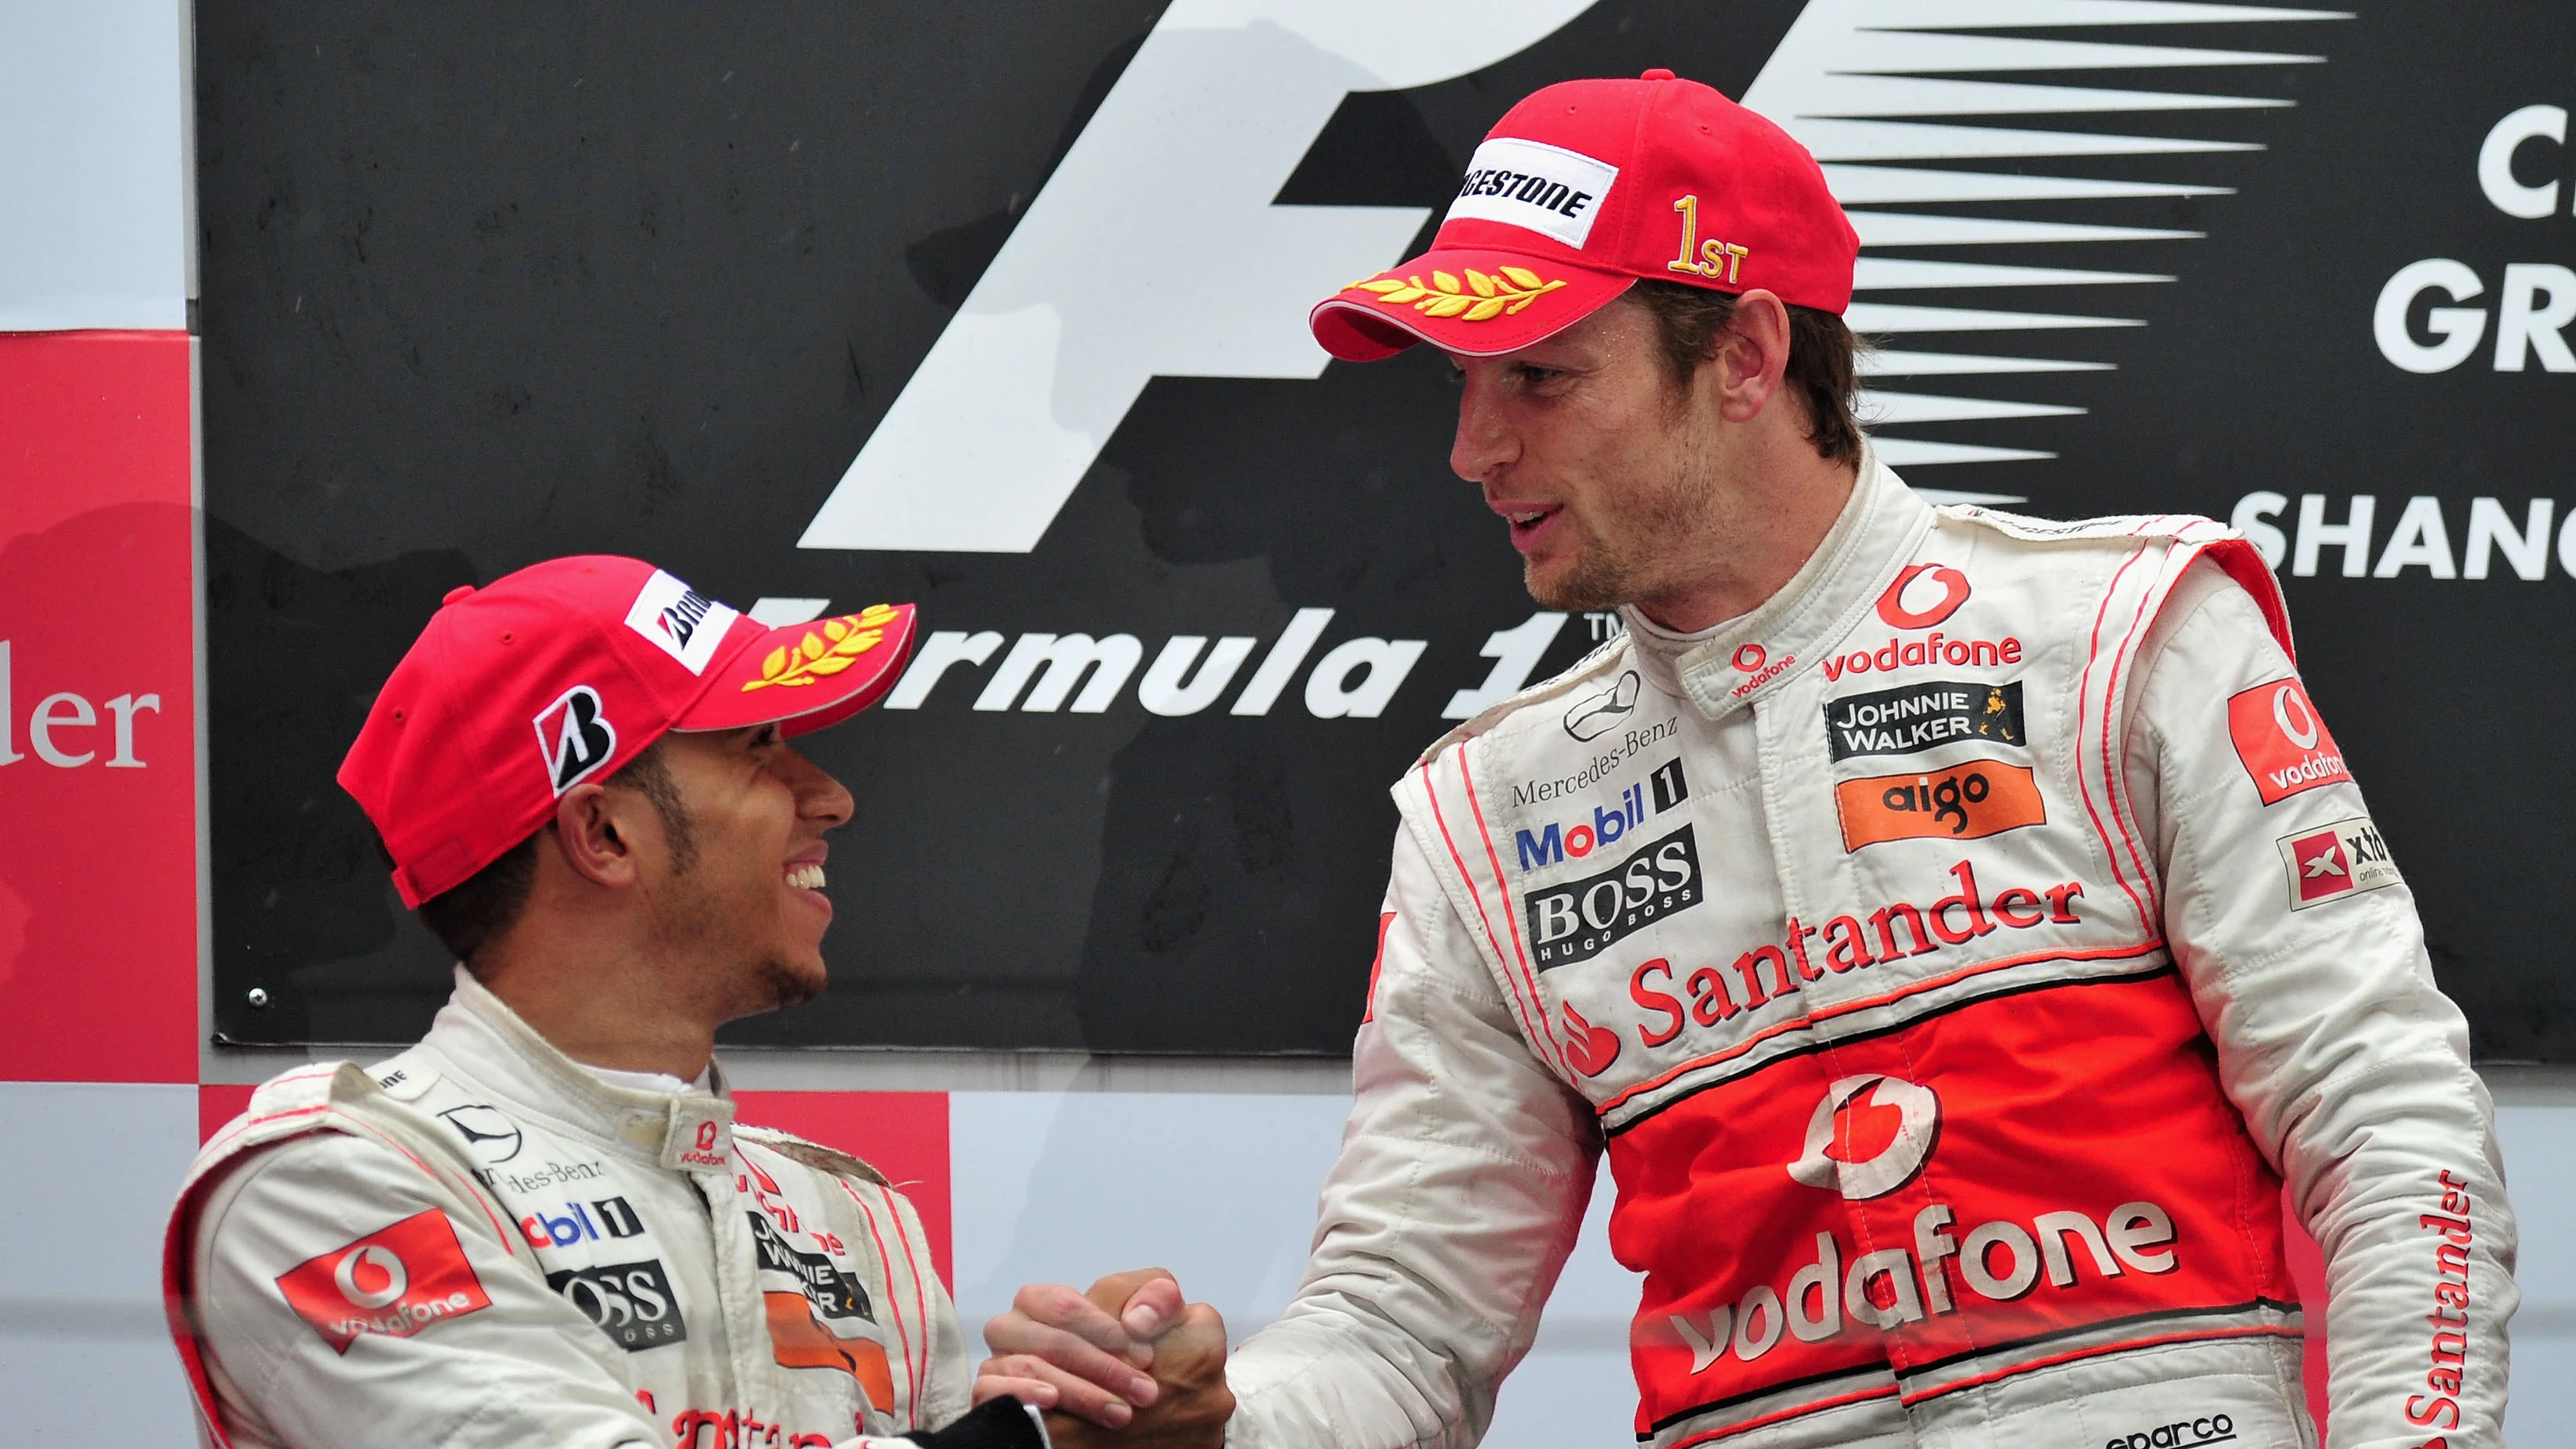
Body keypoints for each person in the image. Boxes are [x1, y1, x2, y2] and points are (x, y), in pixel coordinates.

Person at [976, 70, 2518, 1448]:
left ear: (1746, 352)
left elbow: (2388, 1121)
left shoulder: (2121, 634)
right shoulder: (1492, 809)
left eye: (1539, 375)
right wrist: (1207, 1423)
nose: (1471, 448)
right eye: (1462, 382)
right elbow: (1403, 1330)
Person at [163, 557, 1064, 1449]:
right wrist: (1035, 1442)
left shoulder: (846, 1213)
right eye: (760, 748)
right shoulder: (326, 1182)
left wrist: (1118, 1403)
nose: (832, 798)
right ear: (603, 832)